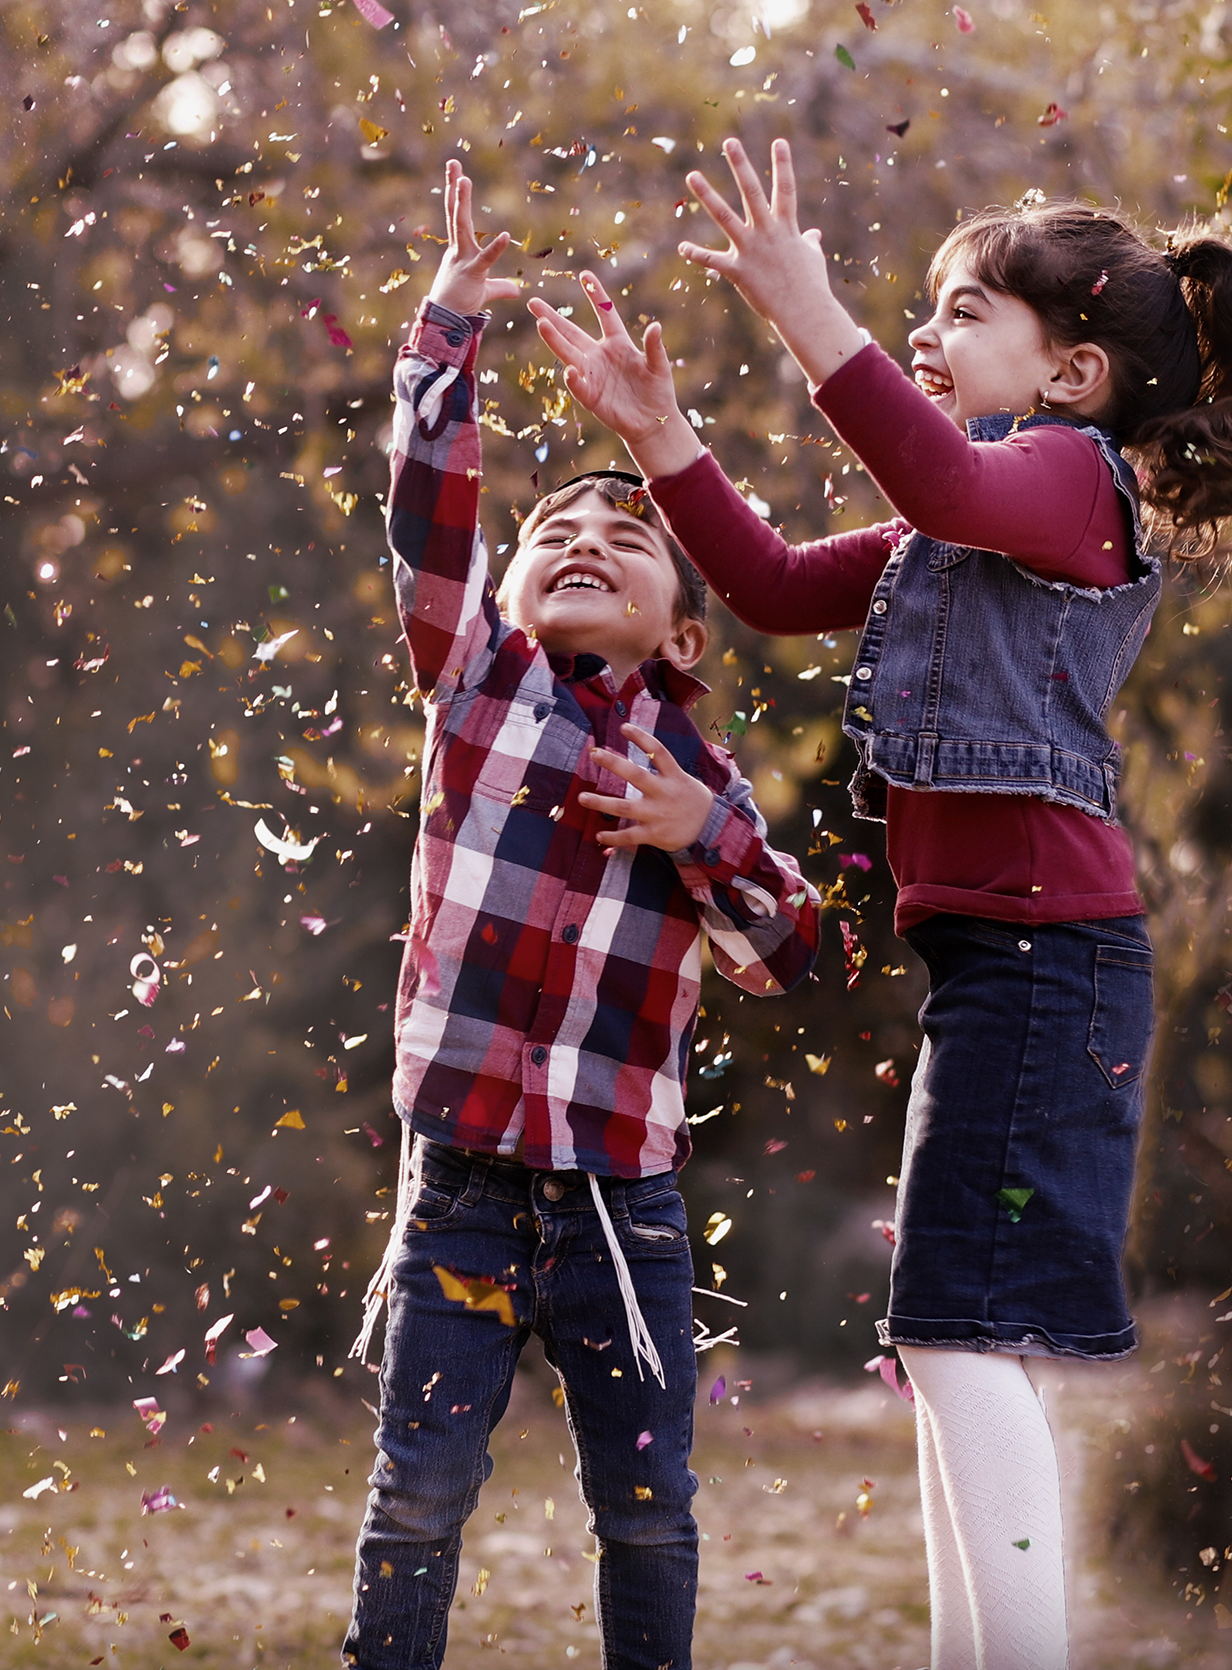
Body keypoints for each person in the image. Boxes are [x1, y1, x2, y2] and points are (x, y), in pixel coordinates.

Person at [529, 139, 1232, 1670]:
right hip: (1001, 962)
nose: (926, 333)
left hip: (1048, 956)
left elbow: (941, 472)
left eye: (962, 312)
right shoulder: (961, 530)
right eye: (925, 311)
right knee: (946, 1336)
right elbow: (765, 583)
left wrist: (808, 310)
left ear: (1074, 373)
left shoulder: (1072, 482)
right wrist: (665, 433)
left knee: (959, 1337)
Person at [343, 161, 824, 1670]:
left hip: (625, 1196)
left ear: (683, 630)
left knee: (649, 1512)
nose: (583, 543)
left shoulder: (697, 775)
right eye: (554, 533)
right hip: (464, 1180)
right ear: (510, 592)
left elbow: (788, 951)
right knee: (418, 1497)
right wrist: (445, 329)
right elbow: (431, 524)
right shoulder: (475, 685)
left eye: (627, 539)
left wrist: (704, 838)